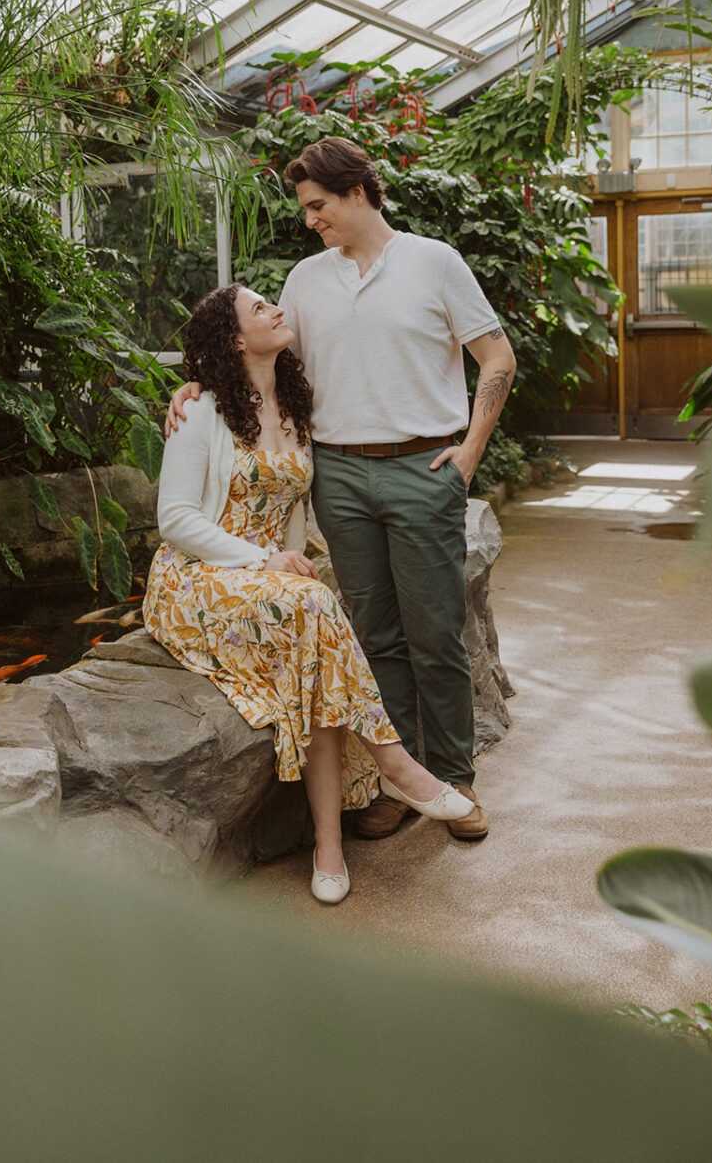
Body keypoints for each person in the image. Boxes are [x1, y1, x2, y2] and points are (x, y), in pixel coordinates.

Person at [168, 137, 516, 844]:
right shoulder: (304, 279)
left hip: (423, 469)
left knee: (435, 635)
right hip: (338, 474)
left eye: (317, 205)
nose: (310, 219)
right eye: (305, 208)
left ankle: (455, 781)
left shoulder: (434, 262)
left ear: (358, 191)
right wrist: (198, 380)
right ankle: (396, 782)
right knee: (375, 636)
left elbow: (497, 355)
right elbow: (261, 357)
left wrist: (470, 451)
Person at [144, 282, 480, 905]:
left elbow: (301, 506)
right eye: (259, 308)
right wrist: (263, 559)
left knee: (312, 652)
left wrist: (282, 565)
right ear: (236, 339)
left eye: (271, 301)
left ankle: (330, 847)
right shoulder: (201, 411)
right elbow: (176, 521)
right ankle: (397, 766)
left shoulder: (299, 409)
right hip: (197, 578)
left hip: (276, 583)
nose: (276, 309)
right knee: (317, 606)